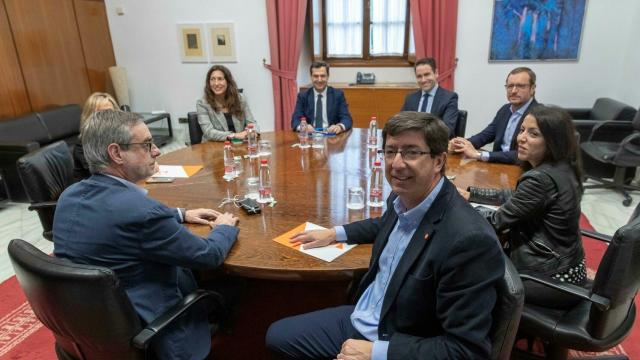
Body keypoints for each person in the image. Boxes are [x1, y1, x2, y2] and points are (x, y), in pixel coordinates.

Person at [266, 112, 505, 359]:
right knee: (276, 336)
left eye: (412, 152)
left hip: (398, 339)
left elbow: (466, 351)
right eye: (390, 151)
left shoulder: (469, 241)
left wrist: (378, 353)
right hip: (368, 314)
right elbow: (384, 224)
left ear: (438, 161)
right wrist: (335, 233)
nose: (397, 163)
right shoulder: (403, 197)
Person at [53, 109, 240, 360]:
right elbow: (208, 255)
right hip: (150, 328)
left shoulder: (70, 196)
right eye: (147, 145)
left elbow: (116, 218)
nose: (157, 151)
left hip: (91, 328)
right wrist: (225, 228)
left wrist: (180, 213)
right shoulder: (142, 212)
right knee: (237, 285)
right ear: (116, 153)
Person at [458, 105, 585, 309]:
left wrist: (459, 206)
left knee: (468, 278)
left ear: (553, 141)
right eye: (522, 130)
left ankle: (494, 338)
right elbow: (516, 197)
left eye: (533, 134)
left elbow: (496, 222)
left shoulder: (541, 179)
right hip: (568, 266)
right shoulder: (563, 166)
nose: (521, 138)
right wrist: (471, 194)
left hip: (549, 278)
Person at [449, 67, 539, 164]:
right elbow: (485, 136)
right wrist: (460, 144)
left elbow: (524, 153)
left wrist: (479, 155)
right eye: (510, 86)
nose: (513, 91)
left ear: (532, 89)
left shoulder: (538, 115)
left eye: (520, 86)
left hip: (522, 169)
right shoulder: (505, 110)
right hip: (498, 165)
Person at [400, 57, 459, 138]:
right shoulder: (410, 98)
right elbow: (400, 123)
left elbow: (447, 130)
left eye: (427, 74)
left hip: (435, 146)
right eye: (419, 76)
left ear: (436, 73)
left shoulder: (449, 98)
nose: (423, 80)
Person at [197, 64, 257, 142]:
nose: (216, 83)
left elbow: (252, 123)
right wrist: (235, 135)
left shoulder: (240, 99)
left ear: (228, 82)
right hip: (213, 148)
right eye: (212, 79)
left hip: (238, 145)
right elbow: (208, 132)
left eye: (220, 79)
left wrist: (252, 132)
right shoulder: (202, 103)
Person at [291, 61, 353, 134]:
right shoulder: (303, 96)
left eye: (323, 76)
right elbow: (295, 120)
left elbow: (347, 118)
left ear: (328, 76)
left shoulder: (338, 95)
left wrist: (339, 127)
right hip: (310, 136)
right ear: (311, 77)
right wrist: (304, 127)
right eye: (316, 76)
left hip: (331, 138)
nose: (319, 80)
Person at [73, 92, 119, 180]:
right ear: (90, 116)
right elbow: (103, 173)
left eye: (111, 112)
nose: (108, 116)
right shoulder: (83, 144)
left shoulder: (117, 135)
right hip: (92, 189)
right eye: (102, 113)